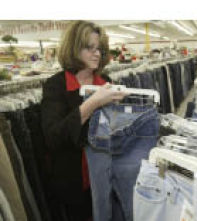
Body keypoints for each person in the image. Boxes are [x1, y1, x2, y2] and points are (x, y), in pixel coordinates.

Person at [41, 21, 127, 221]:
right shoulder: (56, 85)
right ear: (73, 48)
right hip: (73, 180)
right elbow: (53, 137)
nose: (96, 54)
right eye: (89, 48)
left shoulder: (105, 80)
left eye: (99, 49)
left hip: (106, 173)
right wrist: (93, 103)